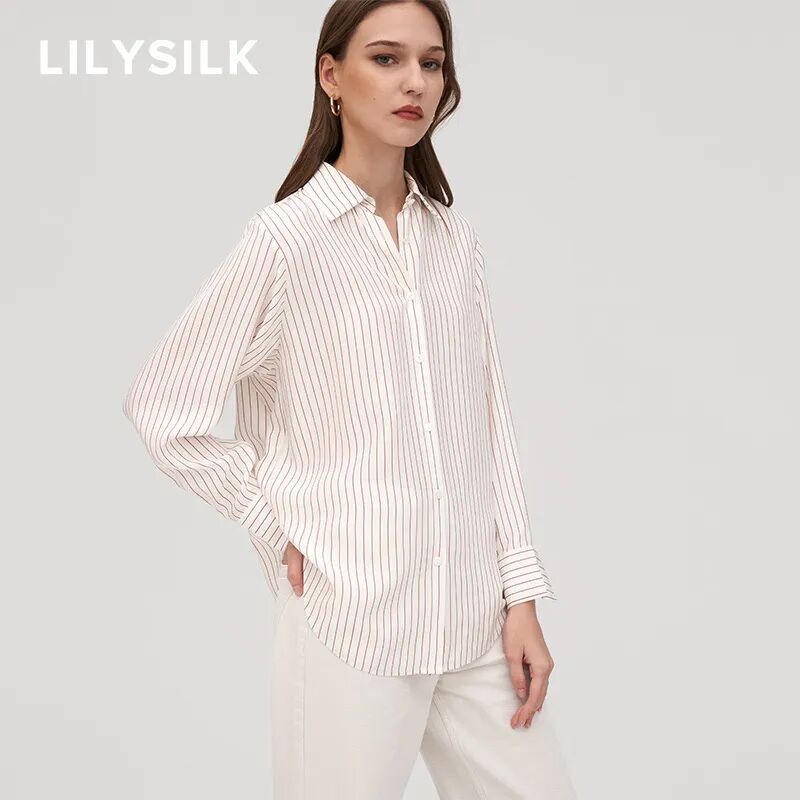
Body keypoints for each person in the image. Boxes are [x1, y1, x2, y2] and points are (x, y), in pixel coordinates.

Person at [123, 1, 577, 797]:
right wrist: (273, 521)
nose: (415, 82)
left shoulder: (454, 240)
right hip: (353, 618)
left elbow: (489, 425)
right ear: (331, 75)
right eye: (387, 58)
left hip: (474, 618)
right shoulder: (285, 241)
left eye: (431, 63)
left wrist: (522, 594)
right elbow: (163, 407)